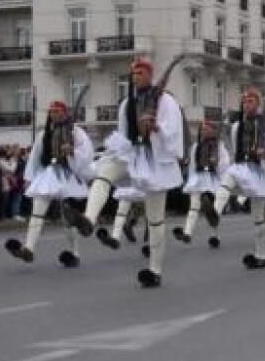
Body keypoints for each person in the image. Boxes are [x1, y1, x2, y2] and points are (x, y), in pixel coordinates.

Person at [73, 58, 184, 288]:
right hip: (131, 153)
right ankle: (89, 219)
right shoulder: (127, 104)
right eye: (133, 75)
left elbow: (173, 130)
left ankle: (154, 269)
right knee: (104, 175)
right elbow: (124, 133)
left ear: (150, 75)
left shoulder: (166, 101)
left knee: (155, 220)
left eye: (140, 73)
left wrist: (156, 127)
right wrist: (115, 152)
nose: (136, 78)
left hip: (154, 159)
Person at [5, 100, 94, 267]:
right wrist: (28, 179)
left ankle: (74, 252)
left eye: (57, 111)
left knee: (67, 217)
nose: (53, 114)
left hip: (67, 175)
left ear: (64, 113)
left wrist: (72, 151)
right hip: (48, 175)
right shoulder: (43, 134)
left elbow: (88, 153)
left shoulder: (76, 132)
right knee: (37, 212)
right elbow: (35, 158)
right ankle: (29, 248)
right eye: (51, 112)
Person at [210, 87, 265, 269]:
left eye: (250, 101)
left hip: (259, 171)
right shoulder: (236, 127)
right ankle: (215, 211)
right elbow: (236, 151)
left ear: (257, 104)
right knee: (229, 176)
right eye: (244, 101)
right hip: (243, 168)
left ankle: (261, 255)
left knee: (257, 217)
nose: (246, 104)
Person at [173, 119, 230, 248]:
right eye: (203, 129)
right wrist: (190, 180)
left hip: (212, 179)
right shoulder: (195, 147)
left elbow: (225, 164)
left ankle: (214, 235)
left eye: (207, 129)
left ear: (213, 131)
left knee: (213, 211)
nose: (204, 131)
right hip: (198, 178)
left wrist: (216, 165)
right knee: (193, 207)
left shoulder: (219, 148)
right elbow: (193, 165)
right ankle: (187, 233)